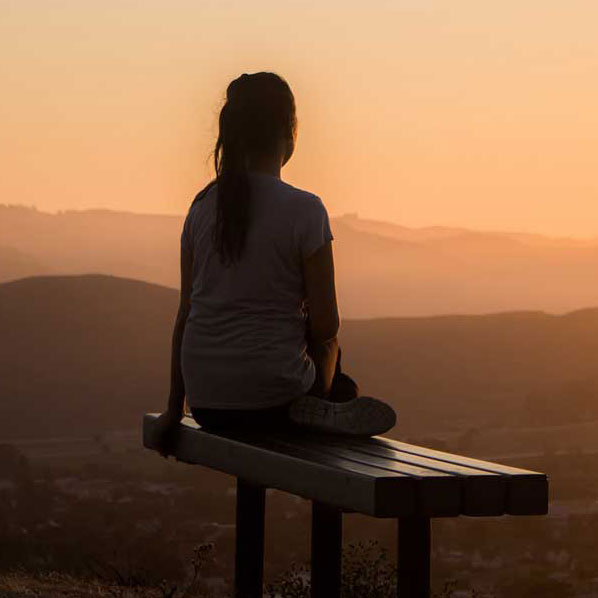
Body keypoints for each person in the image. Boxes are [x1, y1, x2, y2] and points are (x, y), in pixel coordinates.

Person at [152, 72, 395, 456]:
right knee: (332, 349)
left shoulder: (201, 208)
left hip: (207, 405)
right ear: (289, 131)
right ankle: (330, 401)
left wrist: (172, 408)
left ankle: (331, 400)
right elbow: (326, 325)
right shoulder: (305, 210)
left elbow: (186, 314)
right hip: (276, 403)